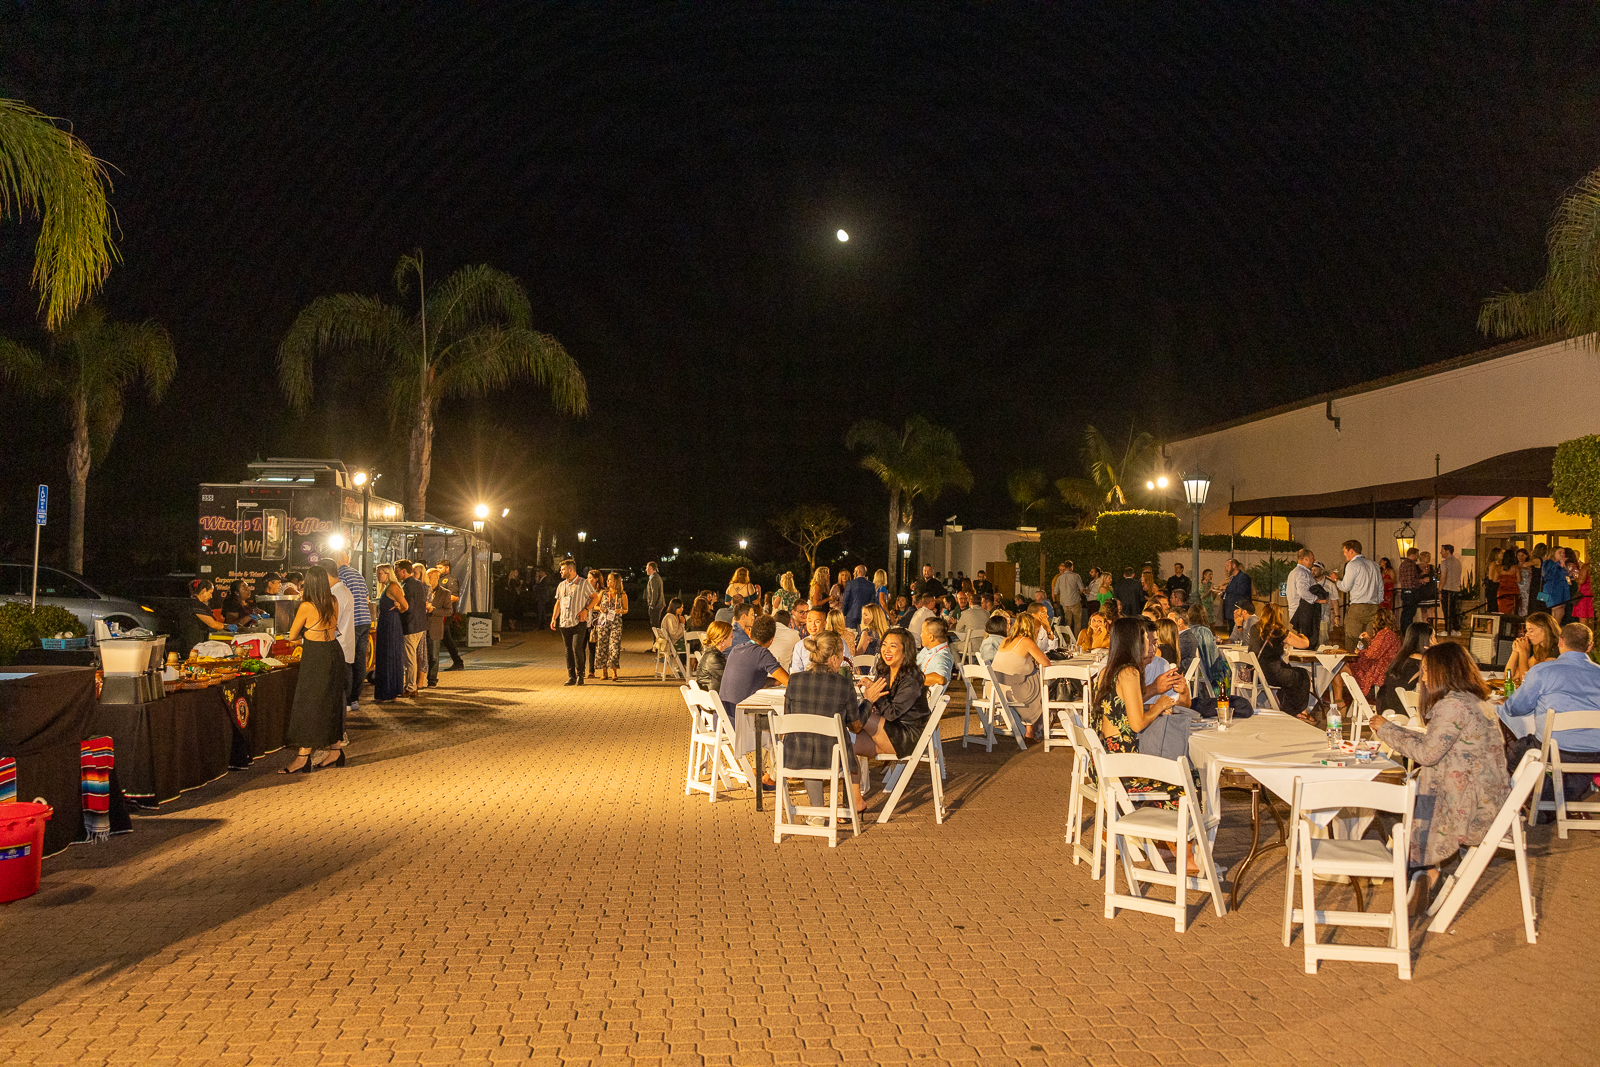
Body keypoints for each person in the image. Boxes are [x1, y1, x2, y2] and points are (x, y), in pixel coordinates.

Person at [1372, 642, 1512, 905]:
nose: (1422, 677)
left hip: (1469, 805)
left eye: (1426, 671)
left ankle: (1426, 871)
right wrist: (1391, 729)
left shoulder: (1454, 706)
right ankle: (1424, 870)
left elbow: (1427, 754)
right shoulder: (1473, 701)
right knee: (1395, 800)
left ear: (1442, 672)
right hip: (1483, 795)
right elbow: (1435, 743)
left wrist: (1386, 731)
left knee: (1386, 803)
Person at [1502, 622, 1600, 788]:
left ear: (1560, 642)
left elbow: (1516, 708)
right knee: (1578, 773)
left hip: (1554, 750)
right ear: (1590, 646)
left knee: (1515, 751)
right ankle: (1564, 803)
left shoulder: (1543, 671)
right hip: (1596, 753)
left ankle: (1538, 803)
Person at [781, 630, 868, 816]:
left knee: (809, 742)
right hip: (832, 757)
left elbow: (787, 717)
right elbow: (856, 726)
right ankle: (854, 803)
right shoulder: (842, 684)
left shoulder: (794, 681)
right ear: (835, 658)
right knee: (848, 749)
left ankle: (817, 811)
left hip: (795, 753)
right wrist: (868, 702)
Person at [281, 568, 346, 774]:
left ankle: (303, 757)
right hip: (334, 652)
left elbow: (292, 636)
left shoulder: (306, 606)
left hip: (316, 656)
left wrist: (300, 636)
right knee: (332, 702)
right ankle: (335, 750)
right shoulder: (333, 600)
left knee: (308, 704)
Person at [854, 628, 931, 764]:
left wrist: (874, 694)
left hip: (907, 736)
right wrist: (873, 703)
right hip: (889, 731)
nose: (886, 650)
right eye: (884, 644)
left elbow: (892, 713)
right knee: (846, 743)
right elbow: (885, 706)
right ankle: (854, 786)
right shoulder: (885, 671)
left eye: (893, 646)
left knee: (858, 717)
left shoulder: (911, 679)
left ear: (905, 651)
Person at [717, 614, 789, 720]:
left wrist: (776, 682)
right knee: (777, 722)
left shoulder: (736, 649)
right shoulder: (762, 653)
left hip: (723, 718)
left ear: (750, 633)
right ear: (771, 640)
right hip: (740, 721)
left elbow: (748, 679)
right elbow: (788, 681)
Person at [991, 612, 1050, 740]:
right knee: (1040, 679)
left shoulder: (1006, 640)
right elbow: (1046, 663)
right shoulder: (1027, 641)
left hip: (995, 689)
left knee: (1031, 677)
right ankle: (1031, 728)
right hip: (1013, 691)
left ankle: (1031, 727)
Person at [1249, 602, 1311, 718]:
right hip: (1271, 674)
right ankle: (1301, 712)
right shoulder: (1279, 631)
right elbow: (1304, 644)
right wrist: (1302, 635)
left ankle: (1284, 707)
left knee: (1289, 671)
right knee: (1302, 674)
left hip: (1254, 673)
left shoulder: (1255, 628)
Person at [334, 550, 372, 712]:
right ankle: (355, 698)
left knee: (348, 660)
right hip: (365, 620)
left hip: (351, 622)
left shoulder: (339, 576)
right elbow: (367, 599)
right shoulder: (358, 575)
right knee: (360, 660)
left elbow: (338, 600)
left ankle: (348, 700)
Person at [1340, 604, 1401, 702]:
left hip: (1380, 669)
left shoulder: (1385, 633)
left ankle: (1348, 698)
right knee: (1346, 666)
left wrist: (1359, 652)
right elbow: (1380, 649)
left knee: (1341, 666)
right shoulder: (1393, 633)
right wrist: (1370, 639)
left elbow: (1371, 654)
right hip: (1388, 666)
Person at [550, 558, 595, 686]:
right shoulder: (561, 585)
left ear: (571, 570)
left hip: (578, 621)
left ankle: (581, 675)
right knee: (568, 650)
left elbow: (595, 597)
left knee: (577, 648)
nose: (561, 571)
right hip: (564, 622)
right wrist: (554, 618)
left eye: (563, 569)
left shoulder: (583, 583)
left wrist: (586, 609)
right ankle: (571, 676)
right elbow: (558, 602)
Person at [1332, 539, 1384, 651]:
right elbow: (1380, 587)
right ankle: (1368, 665)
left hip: (1358, 607)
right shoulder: (1374, 565)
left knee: (1352, 638)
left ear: (1351, 551)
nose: (1344, 554)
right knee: (1369, 640)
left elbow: (1345, 587)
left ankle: (1352, 666)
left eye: (1345, 552)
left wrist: (1336, 580)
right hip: (1374, 607)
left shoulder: (1352, 565)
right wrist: (1377, 602)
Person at [1376, 622, 1432, 717]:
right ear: (1425, 641)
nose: (1436, 641)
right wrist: (1437, 651)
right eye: (1433, 637)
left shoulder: (1401, 660)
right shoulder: (1424, 664)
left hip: (1385, 709)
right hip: (1404, 713)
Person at [372, 563, 408, 703]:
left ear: (388, 573)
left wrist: (398, 608)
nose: (377, 576)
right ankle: (385, 691)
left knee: (390, 655)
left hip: (391, 623)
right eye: (377, 573)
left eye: (380, 573)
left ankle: (390, 691)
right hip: (386, 622)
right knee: (384, 655)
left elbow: (405, 605)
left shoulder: (393, 586)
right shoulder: (386, 587)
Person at [393, 559, 427, 697]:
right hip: (420, 624)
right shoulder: (418, 584)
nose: (395, 573)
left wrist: (398, 607)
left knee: (410, 658)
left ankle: (411, 687)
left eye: (396, 570)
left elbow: (408, 607)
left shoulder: (406, 586)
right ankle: (411, 685)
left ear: (403, 571)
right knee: (412, 656)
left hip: (410, 625)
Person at [1286, 548, 1326, 652]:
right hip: (1302, 613)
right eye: (1312, 558)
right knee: (1305, 642)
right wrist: (1317, 600)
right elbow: (1303, 591)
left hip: (1299, 612)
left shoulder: (1295, 572)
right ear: (1306, 559)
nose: (1314, 560)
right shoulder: (1301, 573)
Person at [1506, 610, 1560, 684]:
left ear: (1545, 630)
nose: (1527, 635)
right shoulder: (1540, 650)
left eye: (1531, 631)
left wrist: (1523, 652)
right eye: (1526, 631)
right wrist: (1515, 651)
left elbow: (1525, 681)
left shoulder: (1556, 651)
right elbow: (1510, 677)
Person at [592, 572, 628, 681]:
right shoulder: (603, 593)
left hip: (616, 622)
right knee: (602, 646)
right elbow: (595, 606)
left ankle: (614, 671)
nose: (607, 582)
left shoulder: (622, 595)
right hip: (603, 622)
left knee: (614, 647)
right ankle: (604, 672)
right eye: (607, 580)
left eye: (610, 580)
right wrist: (600, 609)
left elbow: (626, 609)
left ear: (616, 581)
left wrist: (621, 610)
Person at [180, 578, 233, 652]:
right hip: (194, 644)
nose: (211, 596)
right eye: (210, 593)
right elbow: (213, 624)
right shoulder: (197, 606)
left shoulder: (189, 603)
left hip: (188, 642)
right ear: (204, 590)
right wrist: (227, 626)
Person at [433, 558, 465, 671]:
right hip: (438, 613)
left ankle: (457, 662)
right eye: (436, 568)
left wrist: (439, 601)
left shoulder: (451, 580)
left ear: (447, 568)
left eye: (440, 568)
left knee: (444, 637)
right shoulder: (438, 579)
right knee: (446, 639)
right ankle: (457, 662)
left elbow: (455, 597)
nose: (438, 570)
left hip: (447, 613)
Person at [425, 567, 453, 687]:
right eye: (426, 577)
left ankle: (432, 679)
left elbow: (449, 611)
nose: (427, 579)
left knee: (434, 656)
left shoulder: (445, 593)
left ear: (437, 578)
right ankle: (419, 678)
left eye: (430, 577)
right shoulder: (423, 591)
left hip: (435, 628)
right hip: (421, 627)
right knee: (421, 655)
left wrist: (433, 610)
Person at [694, 620, 732, 693]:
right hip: (714, 699)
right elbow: (729, 680)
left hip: (712, 696)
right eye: (731, 635)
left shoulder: (713, 653)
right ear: (722, 640)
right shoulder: (713, 657)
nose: (733, 637)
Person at [788, 604, 828, 673]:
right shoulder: (800, 646)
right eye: (809, 621)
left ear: (824, 624)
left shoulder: (833, 642)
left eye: (817, 621)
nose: (813, 625)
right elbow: (796, 672)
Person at [839, 565, 876, 630]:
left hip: (851, 615)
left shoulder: (850, 584)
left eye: (854, 571)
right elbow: (872, 602)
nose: (853, 573)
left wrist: (843, 613)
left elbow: (845, 600)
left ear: (858, 572)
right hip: (865, 616)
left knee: (851, 636)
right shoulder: (871, 585)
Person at [1052, 561, 1084, 635]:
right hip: (1075, 601)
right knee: (1077, 621)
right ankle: (1077, 638)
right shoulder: (1076, 576)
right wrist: (1077, 593)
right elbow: (1082, 589)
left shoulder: (1059, 578)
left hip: (1065, 603)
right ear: (1071, 567)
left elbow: (1055, 591)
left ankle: (1067, 639)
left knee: (1067, 622)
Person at [583, 569, 604, 676]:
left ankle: (591, 671)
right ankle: (581, 670)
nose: (588, 580)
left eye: (590, 578)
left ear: (596, 579)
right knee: (581, 647)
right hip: (584, 621)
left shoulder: (601, 591)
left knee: (592, 647)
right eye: (587, 577)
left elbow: (600, 605)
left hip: (594, 623)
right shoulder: (584, 589)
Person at [1541, 546, 1570, 622]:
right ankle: (1554, 629)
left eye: (1563, 553)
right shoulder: (1549, 563)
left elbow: (1566, 576)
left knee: (1562, 610)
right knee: (1557, 609)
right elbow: (1550, 575)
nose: (1562, 554)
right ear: (1554, 553)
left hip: (1562, 588)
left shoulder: (1563, 564)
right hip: (1553, 589)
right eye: (1559, 552)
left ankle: (1555, 628)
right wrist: (1559, 564)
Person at [1396, 547, 1422, 633]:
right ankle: (1408, 631)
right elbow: (1411, 580)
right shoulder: (1411, 565)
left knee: (1405, 612)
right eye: (1417, 555)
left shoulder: (1402, 564)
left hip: (1404, 590)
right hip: (1411, 591)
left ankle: (1403, 630)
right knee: (1410, 613)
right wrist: (1421, 581)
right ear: (1413, 555)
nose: (1418, 557)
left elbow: (1401, 578)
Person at [1221, 558, 1252, 623]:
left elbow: (1242, 591)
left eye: (1228, 566)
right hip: (1231, 610)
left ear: (1234, 566)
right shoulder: (1232, 578)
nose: (1226, 568)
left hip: (1238, 609)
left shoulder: (1243, 577)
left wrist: (1226, 588)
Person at [1496, 548, 1521, 615]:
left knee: (1502, 611)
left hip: (1502, 592)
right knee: (1513, 612)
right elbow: (1519, 580)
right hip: (1513, 592)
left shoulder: (1499, 567)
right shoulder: (1515, 568)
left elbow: (1495, 579)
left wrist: (1503, 580)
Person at [643, 561, 665, 628]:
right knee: (655, 624)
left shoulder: (654, 578)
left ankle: (657, 638)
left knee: (654, 625)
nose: (646, 570)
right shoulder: (655, 577)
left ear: (650, 568)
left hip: (656, 605)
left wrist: (652, 605)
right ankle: (656, 638)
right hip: (657, 604)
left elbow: (654, 592)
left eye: (647, 568)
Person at [1574, 554, 1593, 625]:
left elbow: (1581, 580)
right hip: (1592, 594)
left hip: (1584, 595)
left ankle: (1584, 635)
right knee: (1591, 619)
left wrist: (1575, 578)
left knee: (1583, 618)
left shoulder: (1586, 566)